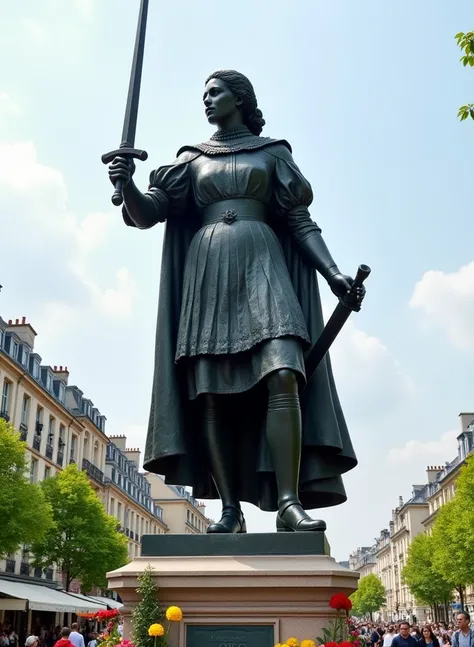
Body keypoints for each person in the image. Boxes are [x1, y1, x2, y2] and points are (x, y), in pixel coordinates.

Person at [108, 69, 365, 534]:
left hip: (264, 268)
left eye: (216, 92)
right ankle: (229, 509)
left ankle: (289, 503)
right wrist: (125, 184)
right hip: (207, 277)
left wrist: (333, 274)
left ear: (240, 99)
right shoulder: (191, 159)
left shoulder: (272, 153)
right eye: (202, 93)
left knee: (285, 373)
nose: (207, 100)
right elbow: (146, 214)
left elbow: (301, 221)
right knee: (212, 396)